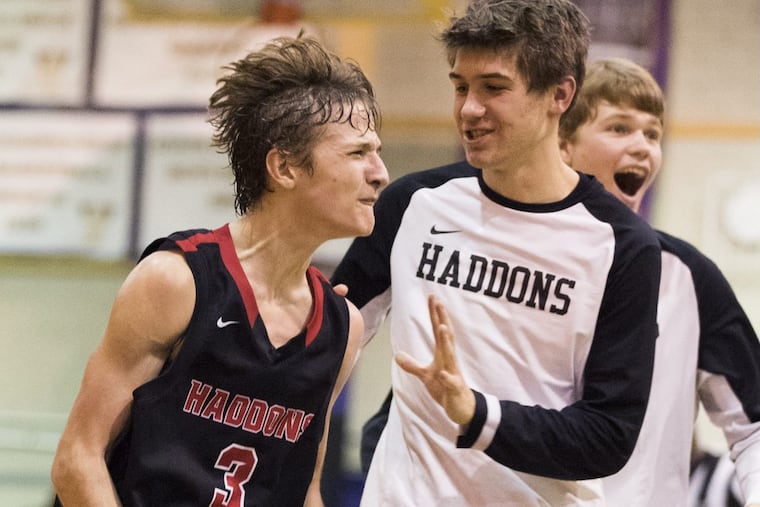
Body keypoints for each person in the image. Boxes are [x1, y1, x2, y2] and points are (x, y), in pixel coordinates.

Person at [332, 1, 662, 504]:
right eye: (460, 86)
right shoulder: (413, 204)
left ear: (559, 94)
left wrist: (476, 413)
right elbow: (324, 347)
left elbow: (608, 437)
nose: (468, 108)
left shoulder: (622, 246)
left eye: (494, 88)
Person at [50, 35, 388, 506]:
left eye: (377, 152)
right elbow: (78, 458)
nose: (380, 173)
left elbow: (304, 489)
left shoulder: (342, 327)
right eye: (358, 154)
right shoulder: (176, 281)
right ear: (284, 167)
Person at [558, 57, 760, 507]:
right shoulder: (513, 258)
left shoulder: (690, 277)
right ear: (562, 145)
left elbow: (754, 426)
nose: (642, 146)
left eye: (652, 134)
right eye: (619, 128)